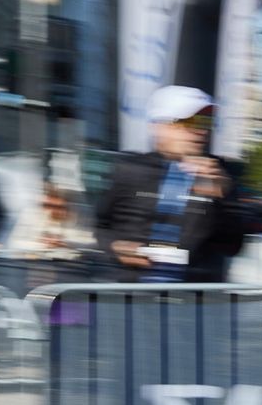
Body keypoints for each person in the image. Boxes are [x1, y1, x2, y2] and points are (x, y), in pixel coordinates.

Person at [94, 86, 247, 282]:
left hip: (192, 296)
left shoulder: (220, 173)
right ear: (160, 126)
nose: (201, 131)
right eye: (189, 121)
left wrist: (223, 197)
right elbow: (101, 225)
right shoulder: (130, 170)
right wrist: (115, 247)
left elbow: (233, 246)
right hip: (132, 292)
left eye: (206, 121)